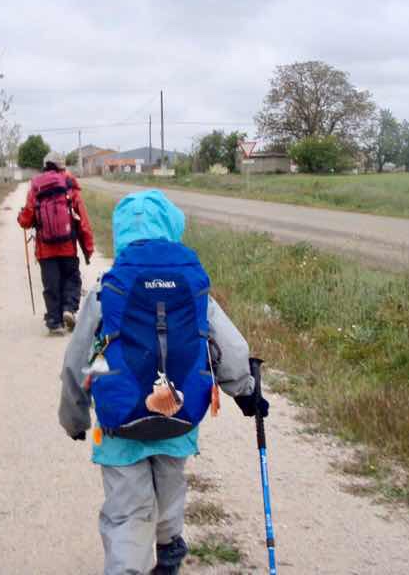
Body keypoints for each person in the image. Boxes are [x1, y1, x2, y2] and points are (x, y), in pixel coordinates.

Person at [58, 190, 269, 574]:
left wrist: (74, 418)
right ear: (172, 227)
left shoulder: (108, 288)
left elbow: (76, 363)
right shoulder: (191, 284)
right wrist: (246, 392)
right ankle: (169, 547)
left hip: (119, 422)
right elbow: (230, 347)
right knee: (170, 485)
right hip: (179, 413)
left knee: (127, 512)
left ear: (122, 233)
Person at [18, 151, 94, 335]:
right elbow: (82, 219)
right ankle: (69, 308)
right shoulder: (69, 184)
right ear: (62, 166)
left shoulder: (36, 186)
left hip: (45, 248)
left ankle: (54, 321)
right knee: (72, 278)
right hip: (68, 245)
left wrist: (21, 218)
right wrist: (88, 247)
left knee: (51, 283)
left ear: (45, 165)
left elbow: (26, 220)